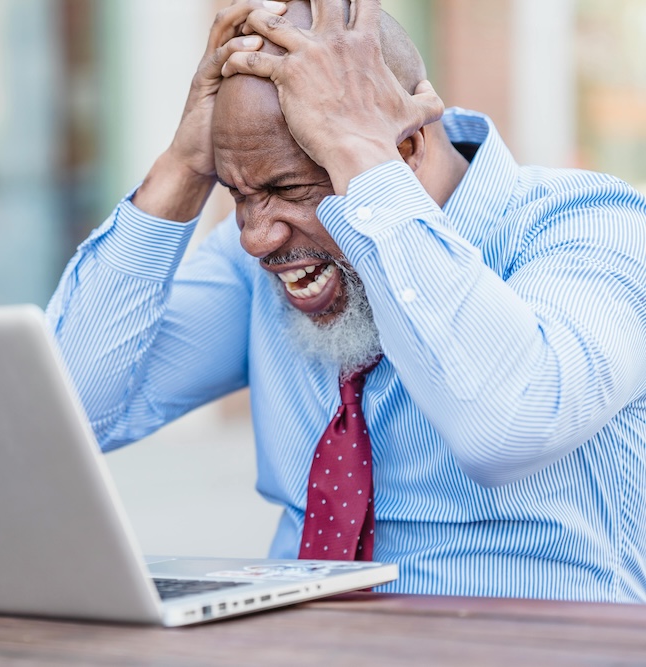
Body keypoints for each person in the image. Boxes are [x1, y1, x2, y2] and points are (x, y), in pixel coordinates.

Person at [46, 0, 646, 602]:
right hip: (296, 639)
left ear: (405, 148)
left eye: (291, 189)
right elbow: (65, 415)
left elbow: (508, 426)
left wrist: (362, 158)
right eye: (237, 194)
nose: (256, 237)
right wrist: (180, 168)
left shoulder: (595, 226)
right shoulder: (262, 251)